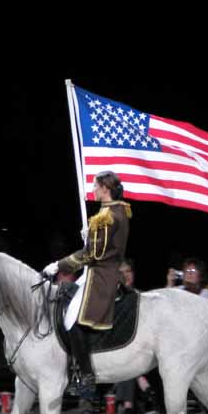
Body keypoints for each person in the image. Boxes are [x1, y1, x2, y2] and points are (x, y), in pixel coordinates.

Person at [42, 171, 131, 399]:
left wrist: (58, 265)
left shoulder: (109, 215)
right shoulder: (116, 211)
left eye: (95, 185)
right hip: (99, 271)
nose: (92, 188)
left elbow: (92, 254)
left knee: (71, 320)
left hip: (102, 276)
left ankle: (87, 375)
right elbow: (102, 246)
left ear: (104, 188)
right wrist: (91, 234)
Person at [113, 259, 157, 414]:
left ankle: (128, 404)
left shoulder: (143, 297)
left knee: (132, 355)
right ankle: (141, 386)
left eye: (128, 271)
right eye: (121, 272)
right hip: (116, 349)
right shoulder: (111, 299)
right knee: (127, 356)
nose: (125, 276)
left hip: (144, 347)